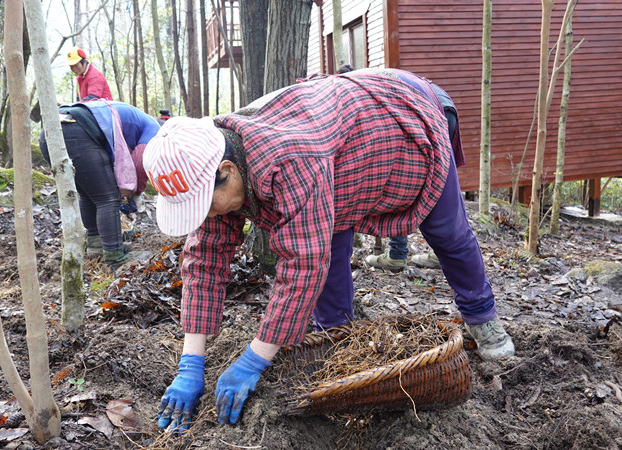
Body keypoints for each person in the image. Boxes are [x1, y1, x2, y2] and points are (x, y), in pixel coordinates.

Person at [144, 68, 515, 433]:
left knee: (446, 230)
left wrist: (254, 360)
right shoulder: (205, 161)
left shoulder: (290, 158)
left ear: (228, 170)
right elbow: (204, 262)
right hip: (340, 145)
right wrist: (190, 364)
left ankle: (484, 319)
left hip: (405, 113)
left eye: (207, 204)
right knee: (329, 237)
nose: (208, 215)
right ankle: (337, 336)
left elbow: (303, 265)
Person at [39, 100, 159, 270]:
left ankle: (96, 245)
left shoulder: (135, 119)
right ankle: (115, 258)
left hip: (51, 132)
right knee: (108, 198)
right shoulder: (155, 130)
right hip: (76, 131)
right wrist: (136, 193)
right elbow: (139, 162)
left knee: (89, 194)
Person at [365, 79, 464, 271]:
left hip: (422, 108)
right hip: (443, 103)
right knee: (443, 181)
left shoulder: (360, 90)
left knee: (398, 180)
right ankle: (439, 253)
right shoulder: (377, 81)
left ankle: (396, 255)